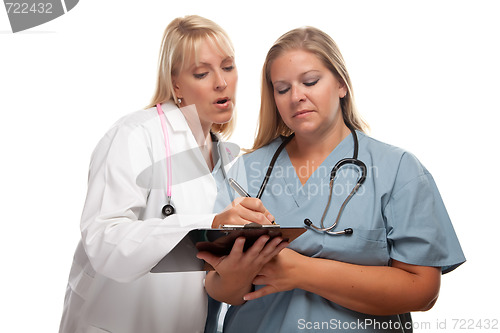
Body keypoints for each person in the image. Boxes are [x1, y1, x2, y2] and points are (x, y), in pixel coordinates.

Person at [198, 26, 466, 333]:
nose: (297, 96)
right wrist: (233, 273)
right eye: (282, 89)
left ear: (341, 84)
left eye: (310, 81)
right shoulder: (243, 173)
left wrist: (300, 271)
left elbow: (423, 290)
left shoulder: (398, 170)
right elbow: (218, 288)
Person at [58, 15, 277, 333]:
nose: (221, 82)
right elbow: (104, 240)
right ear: (176, 85)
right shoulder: (134, 135)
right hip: (115, 323)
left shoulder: (231, 160)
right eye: (202, 73)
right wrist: (210, 224)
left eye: (228, 66)